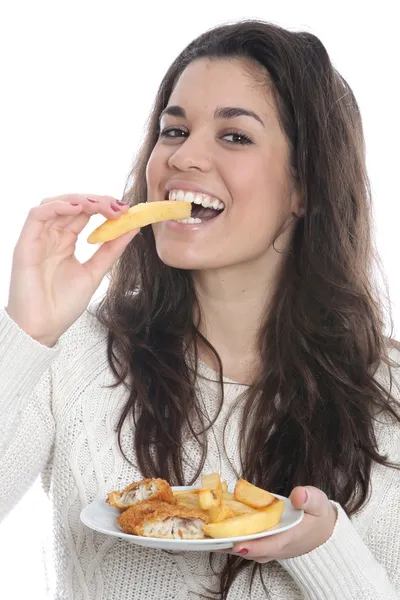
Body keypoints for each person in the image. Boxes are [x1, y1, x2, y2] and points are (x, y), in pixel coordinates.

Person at [1, 18, 399, 600]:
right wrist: (27, 332)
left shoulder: (388, 394)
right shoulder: (73, 358)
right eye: (174, 130)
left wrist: (324, 550)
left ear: (303, 188)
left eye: (234, 136)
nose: (184, 157)